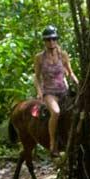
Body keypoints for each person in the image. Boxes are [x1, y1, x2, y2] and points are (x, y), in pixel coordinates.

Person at [34, 25, 80, 157]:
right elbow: (36, 77)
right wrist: (39, 91)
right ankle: (52, 144)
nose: (51, 42)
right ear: (44, 41)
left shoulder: (63, 55)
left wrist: (79, 85)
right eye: (48, 40)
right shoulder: (39, 58)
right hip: (50, 92)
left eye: (53, 39)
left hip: (64, 91)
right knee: (56, 112)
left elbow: (70, 73)